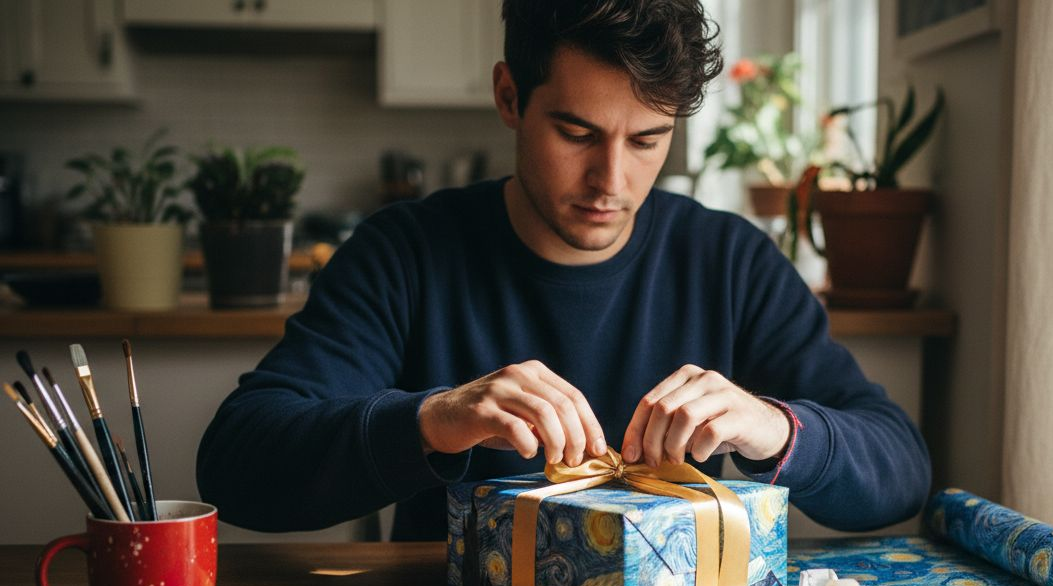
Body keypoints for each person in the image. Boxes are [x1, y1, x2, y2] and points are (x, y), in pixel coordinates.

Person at [196, 0, 931, 541]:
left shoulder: (731, 261)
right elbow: (237, 465)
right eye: (577, 133)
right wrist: (433, 421)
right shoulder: (405, 252)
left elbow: (901, 469)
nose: (611, 179)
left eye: (648, 140)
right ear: (509, 97)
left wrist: (775, 427)